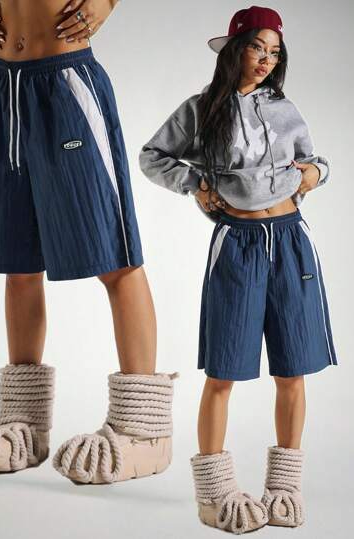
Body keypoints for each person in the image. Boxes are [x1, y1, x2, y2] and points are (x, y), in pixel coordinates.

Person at [139, 5, 338, 534]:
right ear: (234, 50)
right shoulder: (202, 109)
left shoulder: (285, 108)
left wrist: (314, 173)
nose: (266, 60)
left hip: (292, 242)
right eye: (257, 48)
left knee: (292, 370)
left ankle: (285, 487)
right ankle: (214, 493)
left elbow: (316, 161)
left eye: (274, 52)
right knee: (224, 371)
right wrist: (195, 184)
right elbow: (153, 156)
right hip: (238, 245)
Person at [0, 0, 179, 484]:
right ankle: (25, 418)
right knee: (18, 263)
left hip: (65, 83)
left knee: (115, 257)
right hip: (2, 86)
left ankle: (143, 430)